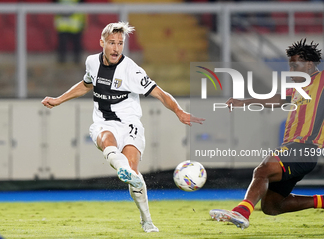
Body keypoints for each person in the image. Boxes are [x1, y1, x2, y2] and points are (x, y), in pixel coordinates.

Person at [41, 21, 205, 232]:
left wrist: (179, 111)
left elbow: (160, 94)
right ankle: (123, 169)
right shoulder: (92, 62)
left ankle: (146, 220)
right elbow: (86, 85)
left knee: (134, 174)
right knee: (107, 139)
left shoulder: (132, 71)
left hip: (130, 125)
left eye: (120, 43)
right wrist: (58, 99)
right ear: (102, 43)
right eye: (112, 43)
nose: (116, 48)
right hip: (103, 122)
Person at [210, 39, 324, 229]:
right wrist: (244, 102)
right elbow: (278, 99)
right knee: (272, 206)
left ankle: (241, 212)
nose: (291, 71)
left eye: (295, 66)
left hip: (305, 148)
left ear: (310, 64)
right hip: (294, 149)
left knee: (263, 169)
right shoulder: (297, 89)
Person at [53, 0, 87, 64]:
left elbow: (84, 4)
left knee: (76, 43)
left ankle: (76, 62)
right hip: (66, 21)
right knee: (63, 44)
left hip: (72, 21)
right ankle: (62, 63)